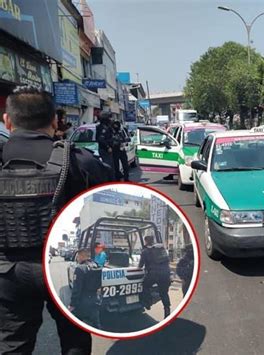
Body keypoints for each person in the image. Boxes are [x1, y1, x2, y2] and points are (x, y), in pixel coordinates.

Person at [0, 86, 113, 354]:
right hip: (62, 270)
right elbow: (112, 196)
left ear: (7, 121)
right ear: (54, 121)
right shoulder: (77, 160)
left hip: (7, 272)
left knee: (12, 344)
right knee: (75, 339)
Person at [139, 235, 171, 318]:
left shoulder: (145, 251)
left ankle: (148, 302)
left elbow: (140, 265)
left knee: (145, 285)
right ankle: (167, 311)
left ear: (145, 241)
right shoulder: (161, 249)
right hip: (165, 274)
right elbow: (167, 261)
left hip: (153, 274)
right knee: (164, 293)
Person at [68, 249, 101, 329]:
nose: (77, 259)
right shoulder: (97, 265)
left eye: (78, 257)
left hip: (83, 301)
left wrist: (72, 304)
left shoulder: (80, 268)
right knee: (96, 324)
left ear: (82, 256)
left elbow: (76, 289)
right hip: (95, 298)